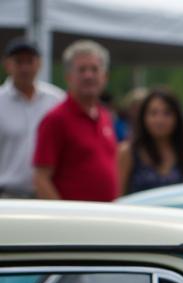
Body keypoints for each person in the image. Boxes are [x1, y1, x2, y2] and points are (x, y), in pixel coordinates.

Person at [33, 39, 118, 200]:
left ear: (105, 77)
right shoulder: (56, 119)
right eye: (82, 70)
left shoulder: (105, 115)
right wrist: (62, 217)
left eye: (94, 69)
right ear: (69, 77)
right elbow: (41, 178)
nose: (88, 75)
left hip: (104, 218)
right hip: (75, 220)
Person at [0, 37, 63, 197]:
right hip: (8, 195)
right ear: (7, 64)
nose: (25, 67)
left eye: (30, 61)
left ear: (39, 63)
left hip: (48, 195)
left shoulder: (56, 99)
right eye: (19, 62)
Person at [117, 88, 183, 194]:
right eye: (153, 113)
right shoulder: (128, 152)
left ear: (177, 117)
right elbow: (118, 196)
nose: (160, 120)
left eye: (167, 113)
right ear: (143, 117)